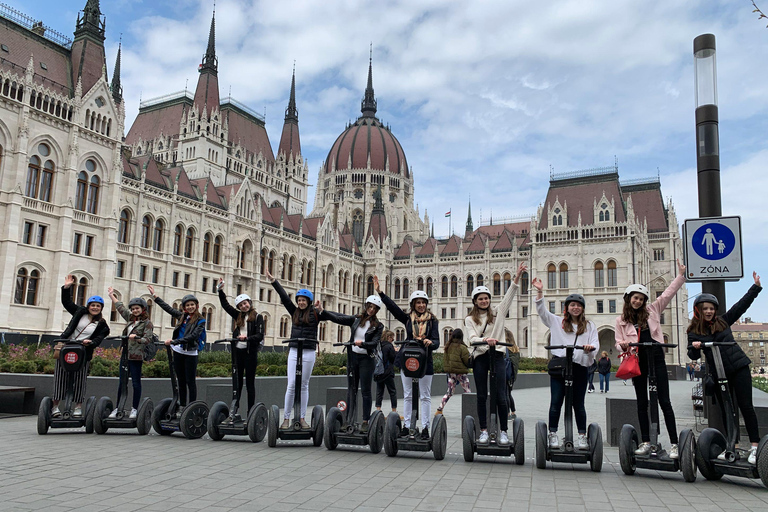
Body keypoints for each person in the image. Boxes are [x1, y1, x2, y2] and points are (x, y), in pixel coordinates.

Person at [687, 271, 763, 464]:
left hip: (738, 367)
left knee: (746, 406)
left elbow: (741, 307)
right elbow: (693, 355)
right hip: (719, 373)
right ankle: (733, 446)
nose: (709, 311)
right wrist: (695, 347)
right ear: (698, 310)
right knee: (727, 409)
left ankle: (755, 447)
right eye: (705, 309)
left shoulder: (723, 321)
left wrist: (755, 287)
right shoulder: (694, 331)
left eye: (712, 308)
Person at [615, 259, 686, 459]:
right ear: (628, 299)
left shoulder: (653, 310)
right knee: (641, 402)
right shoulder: (621, 320)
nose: (637, 301)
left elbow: (667, 294)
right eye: (634, 298)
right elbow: (618, 340)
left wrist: (680, 276)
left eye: (640, 298)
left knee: (664, 401)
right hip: (637, 361)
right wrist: (622, 345)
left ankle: (674, 443)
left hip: (655, 358)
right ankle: (646, 441)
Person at [465, 263, 526, 446]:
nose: (484, 301)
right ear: (475, 301)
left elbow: (510, 295)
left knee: (501, 395)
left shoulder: (498, 312)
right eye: (480, 299)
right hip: (481, 358)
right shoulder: (470, 319)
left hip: (498, 356)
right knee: (482, 395)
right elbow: (472, 338)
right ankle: (483, 430)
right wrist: (485, 340)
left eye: (486, 298)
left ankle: (504, 432)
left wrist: (516, 277)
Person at [532, 277, 597, 450]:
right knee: (556, 401)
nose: (575, 307)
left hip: (579, 368)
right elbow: (541, 311)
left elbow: (595, 344)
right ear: (567, 308)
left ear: (582, 308)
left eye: (578, 305)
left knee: (578, 404)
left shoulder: (589, 326)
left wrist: (590, 348)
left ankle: (582, 436)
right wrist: (540, 292)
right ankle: (552, 434)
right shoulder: (556, 322)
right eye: (572, 305)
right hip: (560, 368)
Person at [374, 275, 439, 440]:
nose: (421, 305)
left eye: (423, 302)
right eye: (418, 302)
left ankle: (425, 427)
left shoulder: (433, 321)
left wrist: (430, 342)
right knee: (408, 394)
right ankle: (408, 425)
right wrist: (381, 293)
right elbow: (394, 308)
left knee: (425, 395)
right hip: (408, 360)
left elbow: (437, 342)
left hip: (425, 362)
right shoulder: (408, 319)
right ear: (413, 305)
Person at [266, 270, 331, 429]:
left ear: (308, 301)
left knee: (304, 384)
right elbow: (284, 297)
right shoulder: (293, 311)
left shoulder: (315, 313)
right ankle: (286, 418)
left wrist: (321, 310)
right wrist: (274, 281)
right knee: (291, 384)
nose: (301, 302)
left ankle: (302, 418)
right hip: (295, 351)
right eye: (299, 300)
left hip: (308, 351)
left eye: (304, 300)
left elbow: (329, 316)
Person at [322, 295, 384, 432]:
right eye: (370, 307)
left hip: (367, 360)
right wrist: (323, 311)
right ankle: (348, 420)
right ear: (366, 306)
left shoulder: (378, 326)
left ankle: (365, 421)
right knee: (351, 390)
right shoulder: (356, 319)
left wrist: (363, 344)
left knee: (366, 391)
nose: (371, 310)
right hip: (353, 358)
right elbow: (339, 318)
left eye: (374, 308)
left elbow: (374, 343)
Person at [51, 274, 110, 418]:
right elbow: (67, 302)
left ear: (101, 308)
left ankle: (78, 407)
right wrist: (66, 287)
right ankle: (55, 407)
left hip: (83, 352)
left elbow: (99, 339)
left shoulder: (102, 325)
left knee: (80, 379)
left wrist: (91, 342)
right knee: (60, 377)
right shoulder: (79, 312)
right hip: (66, 347)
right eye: (93, 305)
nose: (95, 308)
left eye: (98, 306)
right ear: (88, 306)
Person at [148, 285, 206, 408]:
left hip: (190, 352)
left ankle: (192, 406)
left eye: (192, 304)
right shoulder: (182, 316)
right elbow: (168, 309)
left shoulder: (201, 320)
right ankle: (183, 406)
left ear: (196, 306)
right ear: (184, 307)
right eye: (187, 305)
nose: (190, 307)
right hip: (178, 351)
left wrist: (175, 341)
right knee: (180, 380)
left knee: (190, 381)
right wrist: (155, 297)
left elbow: (194, 336)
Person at [217, 278, 264, 414]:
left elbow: (260, 336)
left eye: (245, 303)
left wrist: (247, 338)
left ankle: (250, 412)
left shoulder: (257, 317)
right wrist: (220, 290)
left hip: (250, 354)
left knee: (250, 384)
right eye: (241, 305)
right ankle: (234, 411)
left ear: (249, 303)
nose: (244, 306)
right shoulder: (238, 315)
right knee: (237, 384)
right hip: (238, 353)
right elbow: (225, 305)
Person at [106, 288, 153, 419]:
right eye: (133, 309)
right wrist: (112, 296)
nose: (134, 311)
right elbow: (120, 308)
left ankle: (135, 408)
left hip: (136, 356)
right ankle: (118, 407)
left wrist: (136, 338)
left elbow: (148, 339)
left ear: (143, 309)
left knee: (136, 383)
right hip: (125, 355)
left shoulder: (147, 323)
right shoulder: (130, 319)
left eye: (137, 308)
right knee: (122, 382)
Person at [437, 328, 471, 414]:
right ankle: (471, 410)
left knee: (449, 392)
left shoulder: (448, 347)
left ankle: (439, 409)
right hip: (461, 373)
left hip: (451, 373)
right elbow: (467, 361)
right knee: (467, 391)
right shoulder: (462, 348)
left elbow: (445, 360)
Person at [375, 329, 398, 416]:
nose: (393, 340)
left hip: (379, 372)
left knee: (379, 391)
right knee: (392, 391)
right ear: (389, 337)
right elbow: (393, 359)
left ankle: (378, 410)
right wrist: (396, 351)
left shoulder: (379, 345)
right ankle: (394, 411)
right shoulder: (389, 346)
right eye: (392, 338)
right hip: (387, 372)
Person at [504, 328, 520, 420]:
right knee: (508, 394)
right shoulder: (516, 349)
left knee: (505, 394)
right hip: (512, 375)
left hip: (505, 373)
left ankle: (507, 414)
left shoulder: (505, 350)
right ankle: (513, 412)